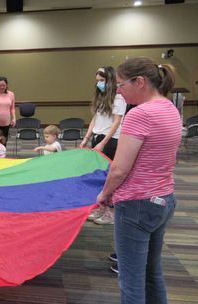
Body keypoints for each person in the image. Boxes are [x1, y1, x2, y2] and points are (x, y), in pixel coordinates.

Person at [96, 57, 180, 304]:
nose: (118, 90)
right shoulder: (169, 108)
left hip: (137, 205)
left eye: (121, 85)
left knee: (131, 279)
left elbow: (120, 169)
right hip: (164, 199)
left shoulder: (139, 114)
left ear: (140, 82)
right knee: (152, 273)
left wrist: (104, 195)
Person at [81, 66, 127, 225]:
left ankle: (111, 211)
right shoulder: (101, 97)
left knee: (110, 176)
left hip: (111, 140)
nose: (99, 84)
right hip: (98, 137)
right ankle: (101, 206)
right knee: (100, 175)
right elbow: (95, 119)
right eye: (98, 81)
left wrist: (103, 142)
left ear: (110, 80)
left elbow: (116, 122)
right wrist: (86, 138)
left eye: (102, 81)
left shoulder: (118, 98)